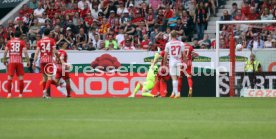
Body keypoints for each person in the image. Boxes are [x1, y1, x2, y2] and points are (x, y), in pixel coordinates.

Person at [2, 31, 30, 98]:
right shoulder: (22, 42)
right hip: (19, 61)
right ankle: (20, 94)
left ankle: (9, 94)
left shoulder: (9, 42)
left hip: (11, 61)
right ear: (20, 36)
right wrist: (28, 61)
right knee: (20, 78)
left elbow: (5, 51)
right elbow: (25, 52)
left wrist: (4, 59)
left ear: (14, 35)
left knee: (9, 78)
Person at [33, 28, 59, 98]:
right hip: (49, 60)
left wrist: (34, 62)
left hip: (42, 61)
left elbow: (36, 52)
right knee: (49, 77)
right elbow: (55, 51)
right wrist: (58, 58)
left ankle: (44, 95)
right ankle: (45, 91)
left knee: (44, 78)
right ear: (49, 33)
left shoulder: (39, 41)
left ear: (43, 34)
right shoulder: (52, 41)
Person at [163, 31, 185, 98]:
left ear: (171, 36)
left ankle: (177, 93)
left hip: (172, 61)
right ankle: (173, 93)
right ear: (177, 35)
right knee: (177, 78)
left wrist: (164, 63)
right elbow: (184, 54)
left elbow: (165, 55)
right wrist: (184, 61)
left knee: (174, 78)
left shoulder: (168, 44)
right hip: (179, 61)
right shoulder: (181, 43)